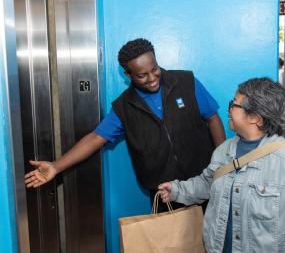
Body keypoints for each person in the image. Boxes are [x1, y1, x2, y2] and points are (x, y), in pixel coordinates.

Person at [25, 38, 225, 211]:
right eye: (142, 75)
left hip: (204, 182)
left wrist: (220, 164)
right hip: (165, 193)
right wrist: (56, 166)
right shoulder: (124, 107)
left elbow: (212, 118)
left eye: (154, 69)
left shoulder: (186, 82)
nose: (152, 78)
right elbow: (96, 138)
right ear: (127, 74)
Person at [159, 77, 285, 252]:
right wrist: (176, 190)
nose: (229, 108)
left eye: (234, 104)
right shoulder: (223, 150)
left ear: (256, 118)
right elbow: (207, 183)